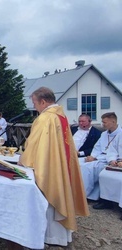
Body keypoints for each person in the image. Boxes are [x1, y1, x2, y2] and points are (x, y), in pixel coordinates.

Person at [18, 87, 89, 246]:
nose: (34, 107)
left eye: (34, 103)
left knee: (48, 194)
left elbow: (35, 144)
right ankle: (62, 236)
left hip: (49, 165)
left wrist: (24, 160)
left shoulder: (45, 118)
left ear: (43, 102)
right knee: (61, 188)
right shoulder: (61, 115)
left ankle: (51, 237)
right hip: (61, 163)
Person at [82, 112, 122, 207]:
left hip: (114, 160)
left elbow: (117, 150)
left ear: (113, 121)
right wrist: (93, 156)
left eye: (105, 122)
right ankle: (85, 195)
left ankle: (98, 198)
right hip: (104, 157)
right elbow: (98, 147)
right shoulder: (104, 134)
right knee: (80, 164)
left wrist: (118, 160)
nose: (102, 124)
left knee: (88, 169)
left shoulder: (120, 134)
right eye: (102, 122)